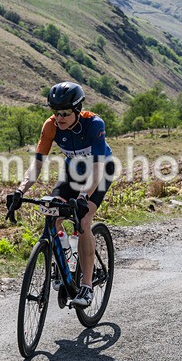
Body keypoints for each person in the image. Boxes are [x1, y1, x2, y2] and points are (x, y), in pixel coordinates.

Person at [8, 81, 114, 308]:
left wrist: (84, 197)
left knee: (83, 220)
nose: (60, 118)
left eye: (65, 113)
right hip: (73, 172)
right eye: (56, 112)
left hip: (100, 171)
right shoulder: (50, 127)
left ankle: (86, 286)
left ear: (77, 110)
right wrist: (20, 190)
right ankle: (65, 255)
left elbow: (96, 170)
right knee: (53, 212)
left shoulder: (94, 125)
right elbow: (36, 166)